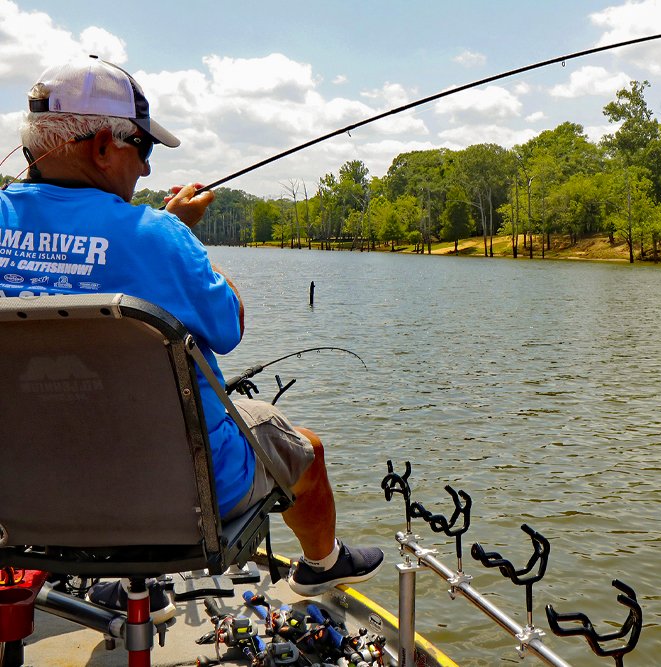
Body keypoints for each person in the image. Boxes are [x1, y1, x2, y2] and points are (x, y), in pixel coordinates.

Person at [0, 55, 383, 612]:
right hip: (183, 496)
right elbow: (230, 327)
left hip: (22, 499)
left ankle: (131, 582)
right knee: (305, 448)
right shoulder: (156, 236)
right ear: (103, 146)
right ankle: (321, 568)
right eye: (144, 149)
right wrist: (176, 230)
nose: (148, 173)